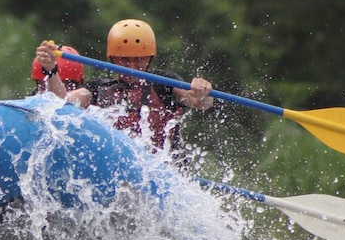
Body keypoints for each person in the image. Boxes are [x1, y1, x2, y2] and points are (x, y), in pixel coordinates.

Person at [35, 19, 214, 152]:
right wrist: (51, 70)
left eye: (138, 59)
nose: (131, 66)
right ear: (112, 58)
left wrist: (202, 93)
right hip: (120, 172)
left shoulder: (163, 83)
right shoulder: (99, 88)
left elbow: (200, 103)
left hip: (162, 173)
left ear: (149, 58)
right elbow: (62, 104)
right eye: (124, 60)